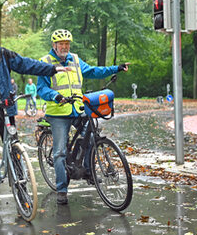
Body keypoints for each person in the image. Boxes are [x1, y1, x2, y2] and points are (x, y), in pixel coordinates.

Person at [0, 22, 68, 210]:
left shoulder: (2, 53)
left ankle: (22, 187)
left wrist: (51, 69)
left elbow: (26, 64)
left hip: (4, 107)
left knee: (13, 147)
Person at [37, 29, 129, 205]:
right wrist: (55, 96)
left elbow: (94, 71)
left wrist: (115, 68)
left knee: (92, 136)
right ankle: (62, 189)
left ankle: (88, 171)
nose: (65, 47)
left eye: (67, 44)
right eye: (61, 44)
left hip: (78, 108)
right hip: (58, 113)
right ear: (54, 45)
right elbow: (41, 88)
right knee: (60, 152)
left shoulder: (75, 60)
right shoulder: (46, 62)